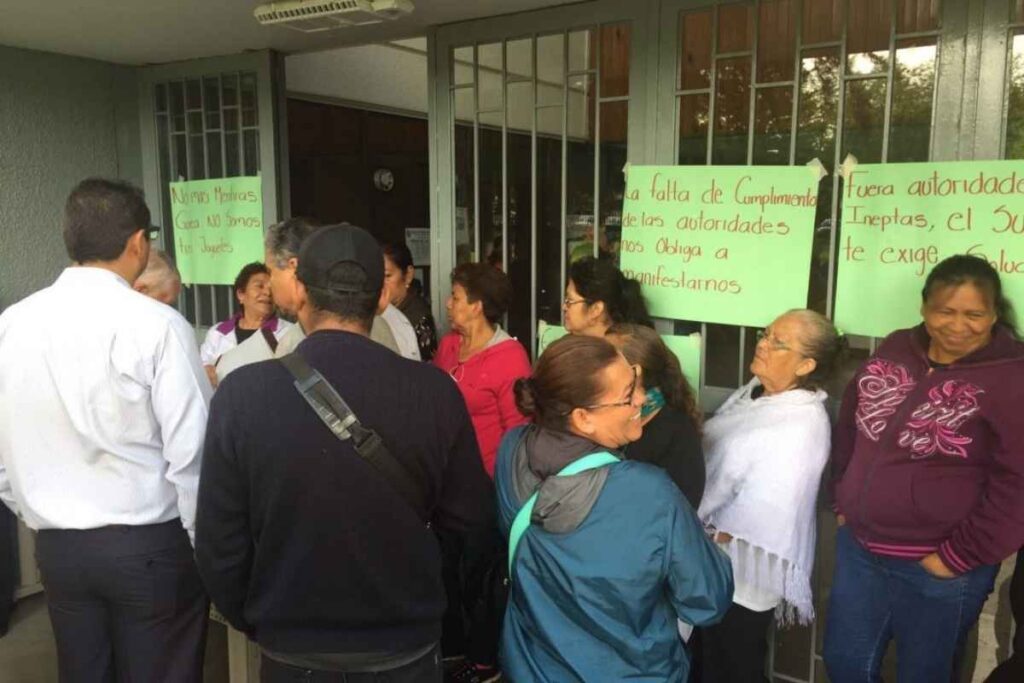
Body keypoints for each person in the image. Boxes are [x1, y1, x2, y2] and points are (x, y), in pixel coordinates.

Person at [195, 224, 496, 683]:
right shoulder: (434, 393)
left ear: (299, 292)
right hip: (404, 645)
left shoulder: (241, 395)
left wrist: (261, 620)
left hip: (291, 646)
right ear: (382, 298)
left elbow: (219, 544)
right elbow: (473, 525)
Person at [0, 178, 211, 680]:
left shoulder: (13, 324)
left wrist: (35, 510)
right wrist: (203, 543)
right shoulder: (158, 325)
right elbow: (194, 454)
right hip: (150, 545)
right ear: (138, 242)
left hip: (59, 549)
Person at [825, 254, 1024, 683]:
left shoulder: (1013, 377)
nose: (958, 325)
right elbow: (851, 423)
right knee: (845, 666)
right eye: (945, 311)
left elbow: (1017, 482)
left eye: (974, 314)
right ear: (924, 307)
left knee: (924, 675)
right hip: (861, 551)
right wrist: (842, 496)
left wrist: (959, 556)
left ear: (994, 314)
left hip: (940, 566)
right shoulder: (897, 346)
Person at [495, 335, 733, 682]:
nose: (642, 398)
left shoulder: (512, 450)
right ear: (583, 418)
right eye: (628, 394)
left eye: (636, 380)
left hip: (530, 666)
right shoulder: (649, 494)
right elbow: (707, 599)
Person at [696, 309, 844, 683]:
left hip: (742, 568)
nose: (763, 344)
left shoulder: (801, 423)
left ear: (806, 365)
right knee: (705, 659)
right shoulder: (756, 393)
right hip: (712, 558)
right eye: (766, 334)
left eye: (779, 343)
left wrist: (712, 533)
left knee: (733, 664)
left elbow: (772, 505)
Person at [433, 263, 532, 478]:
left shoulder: (510, 357)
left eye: (455, 298)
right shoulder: (449, 344)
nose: (448, 304)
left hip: (486, 478)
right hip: (445, 470)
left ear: (476, 307)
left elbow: (518, 431)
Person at [263, 218, 403, 360]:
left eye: (270, 272)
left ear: (294, 268)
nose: (269, 284)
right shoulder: (379, 327)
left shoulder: (293, 343)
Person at [606, 323, 705, 509]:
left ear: (635, 373)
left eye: (604, 359)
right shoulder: (609, 413)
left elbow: (680, 508)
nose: (593, 364)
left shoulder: (678, 432)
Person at [200, 261, 292, 383]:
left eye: (272, 289)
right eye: (259, 286)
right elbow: (203, 368)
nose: (267, 293)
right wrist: (206, 372)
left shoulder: (288, 333)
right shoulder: (217, 333)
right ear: (241, 294)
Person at [563, 256, 654, 337]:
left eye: (569, 301)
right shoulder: (572, 342)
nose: (564, 307)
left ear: (596, 309)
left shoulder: (624, 350)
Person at [383, 241, 438, 361]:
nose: (381, 283)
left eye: (387, 276)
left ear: (408, 275)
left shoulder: (420, 319)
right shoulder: (373, 311)